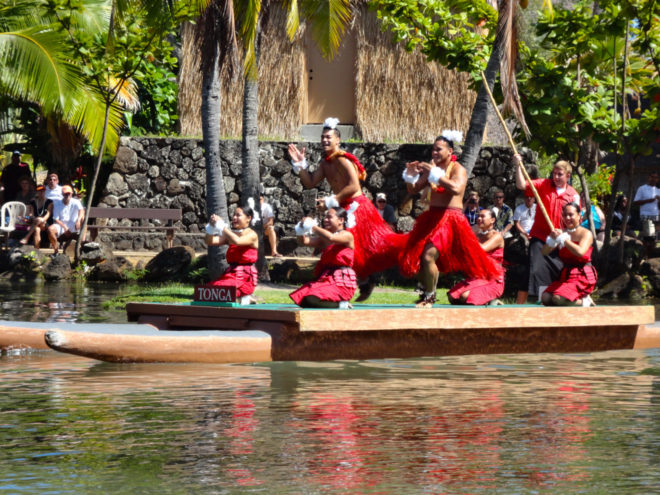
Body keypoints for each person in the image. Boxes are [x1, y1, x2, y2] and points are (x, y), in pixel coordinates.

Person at [288, 117, 405, 301]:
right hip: (341, 206)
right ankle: (355, 282)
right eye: (323, 137)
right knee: (347, 249)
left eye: (329, 137)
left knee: (364, 246)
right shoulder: (325, 164)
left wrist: (330, 201)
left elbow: (353, 186)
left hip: (356, 206)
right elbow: (309, 183)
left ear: (338, 140)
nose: (325, 140)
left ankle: (364, 280)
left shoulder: (342, 159)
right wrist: (300, 165)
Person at [399, 131, 501, 307]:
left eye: (439, 149)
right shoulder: (433, 168)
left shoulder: (457, 169)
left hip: (450, 218)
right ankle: (427, 293)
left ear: (449, 151)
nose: (434, 153)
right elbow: (413, 189)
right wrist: (409, 175)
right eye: (433, 149)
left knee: (429, 255)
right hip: (432, 217)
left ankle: (431, 297)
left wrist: (436, 175)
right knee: (415, 256)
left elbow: (455, 188)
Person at [514, 154, 580, 301]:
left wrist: (563, 233)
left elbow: (575, 222)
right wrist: (518, 165)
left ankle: (547, 306)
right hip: (540, 238)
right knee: (534, 270)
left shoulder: (573, 196)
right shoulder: (543, 184)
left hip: (561, 242)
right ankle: (520, 307)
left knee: (557, 274)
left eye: (560, 174)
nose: (555, 177)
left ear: (568, 176)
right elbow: (521, 185)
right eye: (554, 173)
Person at [289, 207, 357, 308]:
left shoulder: (347, 235)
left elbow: (332, 238)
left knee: (310, 299)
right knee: (302, 298)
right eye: (325, 217)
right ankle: (339, 304)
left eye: (329, 217)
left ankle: (342, 304)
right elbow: (304, 242)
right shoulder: (324, 239)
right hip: (327, 278)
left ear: (341, 220)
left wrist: (313, 226)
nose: (325, 219)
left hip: (341, 281)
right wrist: (300, 231)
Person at [541, 202, 597, 306]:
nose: (567, 218)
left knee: (558, 299)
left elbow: (580, 252)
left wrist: (564, 240)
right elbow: (544, 252)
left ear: (579, 215)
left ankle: (585, 302)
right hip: (566, 275)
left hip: (582, 275)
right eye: (565, 215)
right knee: (546, 298)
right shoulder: (562, 232)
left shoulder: (586, 233)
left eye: (571, 215)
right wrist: (552, 240)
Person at [447, 208, 505, 305]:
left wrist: (468, 233)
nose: (479, 218)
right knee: (453, 297)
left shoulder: (497, 236)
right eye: (478, 216)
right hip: (478, 277)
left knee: (465, 297)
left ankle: (492, 300)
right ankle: (489, 301)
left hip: (492, 279)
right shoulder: (477, 234)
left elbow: (481, 249)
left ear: (492, 220)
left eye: (482, 216)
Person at [204, 205, 259, 302]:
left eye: (238, 215)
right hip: (231, 274)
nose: (234, 218)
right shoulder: (232, 235)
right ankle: (245, 299)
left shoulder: (252, 235)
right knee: (208, 290)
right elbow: (210, 241)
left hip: (244, 277)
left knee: (224, 292)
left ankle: (245, 298)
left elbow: (238, 241)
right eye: (233, 215)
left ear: (248, 218)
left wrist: (222, 227)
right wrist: (211, 228)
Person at [47, 185, 84, 254]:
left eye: (68, 193)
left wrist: (78, 220)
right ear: (62, 194)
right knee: (50, 229)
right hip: (61, 225)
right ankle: (56, 251)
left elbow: (81, 211)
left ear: (72, 193)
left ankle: (83, 246)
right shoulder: (57, 203)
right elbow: (56, 219)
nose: (67, 195)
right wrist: (65, 227)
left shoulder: (76, 201)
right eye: (65, 193)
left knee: (84, 221)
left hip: (74, 224)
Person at [633, 171, 659, 254]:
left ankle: (650, 254)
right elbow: (636, 202)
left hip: (656, 215)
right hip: (646, 215)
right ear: (648, 178)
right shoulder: (642, 188)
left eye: (656, 177)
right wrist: (649, 200)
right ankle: (646, 254)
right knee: (649, 236)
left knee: (654, 237)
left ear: (658, 179)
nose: (653, 179)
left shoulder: (658, 190)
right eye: (652, 177)